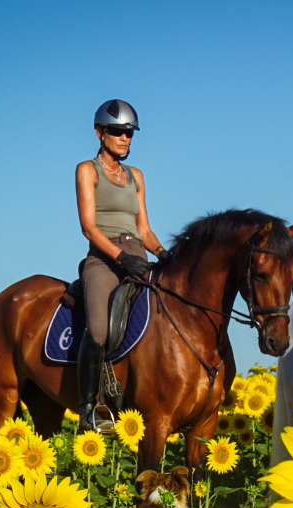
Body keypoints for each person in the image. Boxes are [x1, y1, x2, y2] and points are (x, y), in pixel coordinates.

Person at [74, 99, 168, 431]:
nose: (124, 139)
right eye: (117, 133)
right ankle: (88, 408)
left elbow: (144, 229)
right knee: (99, 329)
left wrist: (162, 252)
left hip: (138, 258)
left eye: (129, 133)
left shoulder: (137, 176)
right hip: (104, 259)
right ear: (100, 133)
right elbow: (88, 226)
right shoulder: (87, 170)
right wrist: (119, 257)